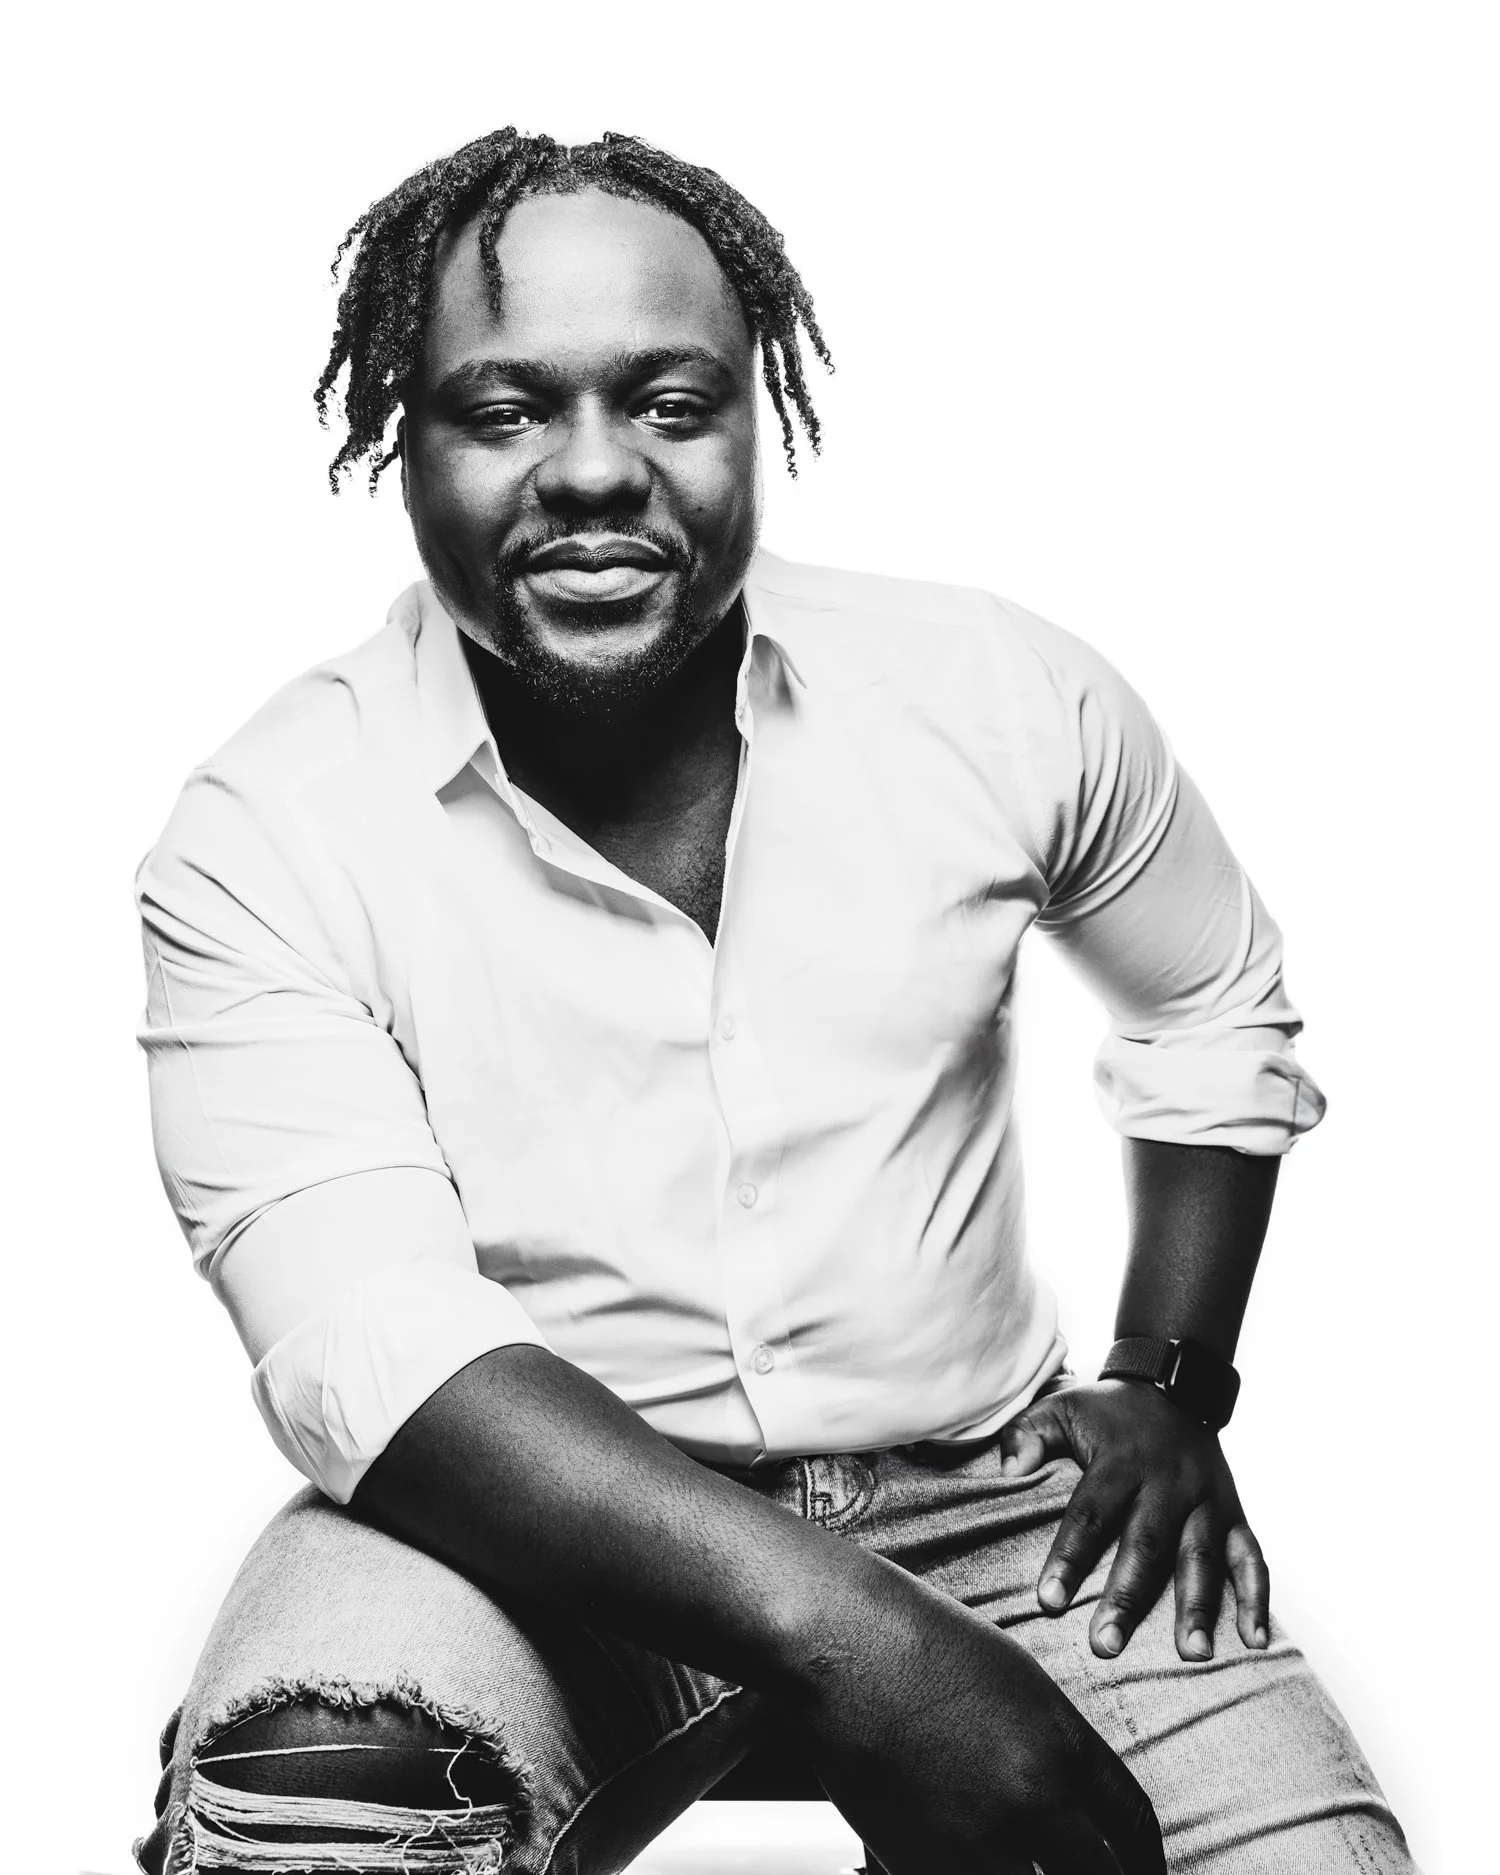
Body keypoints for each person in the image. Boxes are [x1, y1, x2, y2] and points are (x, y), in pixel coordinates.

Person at [133, 128, 1413, 1875]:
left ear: (757, 416)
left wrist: (1170, 1379)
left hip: (994, 1495)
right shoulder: (270, 824)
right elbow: (373, 1339)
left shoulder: (995, 693)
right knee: (315, 1801)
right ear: (401, 438)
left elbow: (1210, 998)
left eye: (671, 402)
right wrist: (863, 1636)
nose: (597, 469)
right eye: (505, 410)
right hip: (530, 1519)